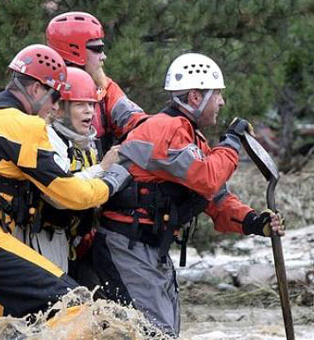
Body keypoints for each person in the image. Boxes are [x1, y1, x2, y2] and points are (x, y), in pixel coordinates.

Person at [0, 44, 130, 340]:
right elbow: (69, 193)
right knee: (75, 304)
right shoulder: (23, 124)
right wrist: (110, 181)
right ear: (34, 89)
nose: (55, 107)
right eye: (54, 96)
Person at [92, 52, 285, 337]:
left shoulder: (190, 136)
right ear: (195, 97)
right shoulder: (166, 130)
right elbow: (207, 179)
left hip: (150, 249)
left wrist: (255, 222)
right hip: (126, 247)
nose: (222, 102)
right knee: (154, 333)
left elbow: (216, 198)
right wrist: (232, 142)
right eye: (217, 93)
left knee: (163, 331)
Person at [13, 66, 120, 274]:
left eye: (91, 104)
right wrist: (102, 169)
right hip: (40, 234)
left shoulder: (85, 143)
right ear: (59, 108)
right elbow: (58, 195)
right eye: (80, 105)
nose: (89, 111)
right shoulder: (49, 137)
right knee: (49, 301)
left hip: (66, 238)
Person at [46, 11, 149, 152]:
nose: (103, 56)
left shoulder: (105, 87)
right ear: (74, 50)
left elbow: (136, 121)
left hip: (100, 170)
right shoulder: (41, 91)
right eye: (97, 49)